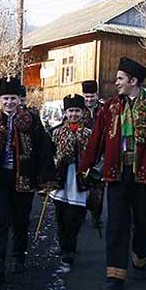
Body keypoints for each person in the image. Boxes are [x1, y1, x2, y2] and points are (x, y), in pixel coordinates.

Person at [79, 57, 146, 290]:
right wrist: (87, 167)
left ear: (133, 81)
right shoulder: (110, 108)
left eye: (120, 79)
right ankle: (115, 275)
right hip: (117, 175)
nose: (117, 83)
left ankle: (140, 258)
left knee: (143, 223)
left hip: (145, 177)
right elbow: (96, 141)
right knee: (116, 225)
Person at [0, 76, 55, 284]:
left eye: (13, 98)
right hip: (0, 178)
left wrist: (47, 176)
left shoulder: (31, 119)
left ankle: (18, 257)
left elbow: (43, 147)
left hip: (23, 176)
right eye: (6, 98)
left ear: (19, 99)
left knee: (21, 221)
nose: (9, 102)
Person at [50, 94, 92, 271]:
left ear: (82, 113)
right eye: (70, 111)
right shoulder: (57, 132)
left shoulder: (88, 133)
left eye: (77, 111)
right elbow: (51, 153)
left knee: (74, 216)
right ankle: (63, 244)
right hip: (61, 178)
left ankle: (69, 249)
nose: (73, 114)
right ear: (65, 112)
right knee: (61, 215)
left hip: (79, 179)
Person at [80, 80, 105, 228]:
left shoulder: (104, 110)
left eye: (92, 96)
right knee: (82, 186)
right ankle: (80, 213)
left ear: (97, 95)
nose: (89, 99)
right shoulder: (78, 109)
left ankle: (96, 215)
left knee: (98, 188)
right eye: (87, 96)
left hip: (100, 155)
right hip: (82, 155)